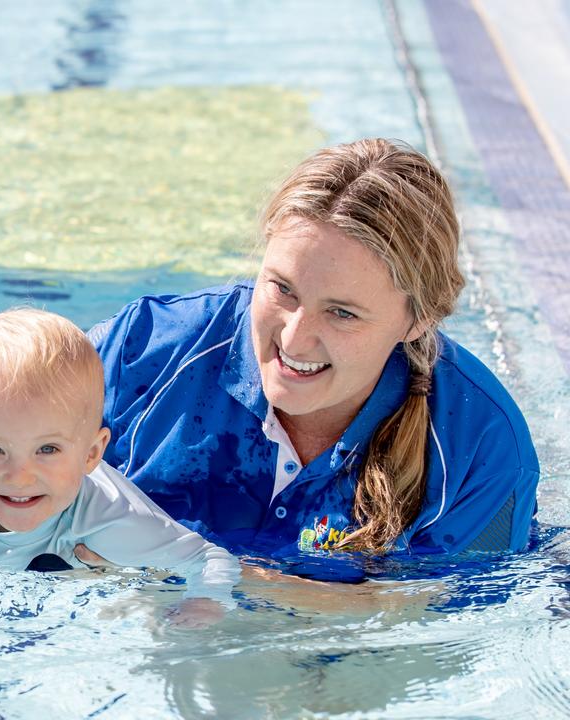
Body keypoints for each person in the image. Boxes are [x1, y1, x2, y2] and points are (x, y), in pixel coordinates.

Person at [90, 139, 539, 572]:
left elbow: (438, 626)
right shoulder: (146, 354)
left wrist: (184, 567)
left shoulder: (479, 449)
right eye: (282, 288)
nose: (295, 339)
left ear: (419, 319)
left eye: (342, 313)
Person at [0, 309, 240, 614]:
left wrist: (201, 605)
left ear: (91, 454)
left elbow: (209, 560)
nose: (20, 476)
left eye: (47, 449)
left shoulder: (111, 521)